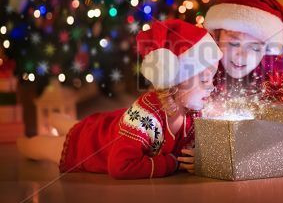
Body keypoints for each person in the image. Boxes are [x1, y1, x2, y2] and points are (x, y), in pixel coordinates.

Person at [17, 19, 223, 179]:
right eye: (204, 79)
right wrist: (171, 164)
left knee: (83, 126)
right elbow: (120, 166)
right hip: (89, 147)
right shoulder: (146, 116)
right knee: (40, 146)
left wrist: (200, 158)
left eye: (212, 78)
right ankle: (23, 142)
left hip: (108, 126)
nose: (211, 87)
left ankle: (62, 121)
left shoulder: (193, 111)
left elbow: (193, 147)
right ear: (175, 82)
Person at [204, 0, 283, 102]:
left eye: (254, 48)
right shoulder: (199, 71)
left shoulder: (273, 82)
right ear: (216, 39)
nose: (242, 55)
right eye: (234, 43)